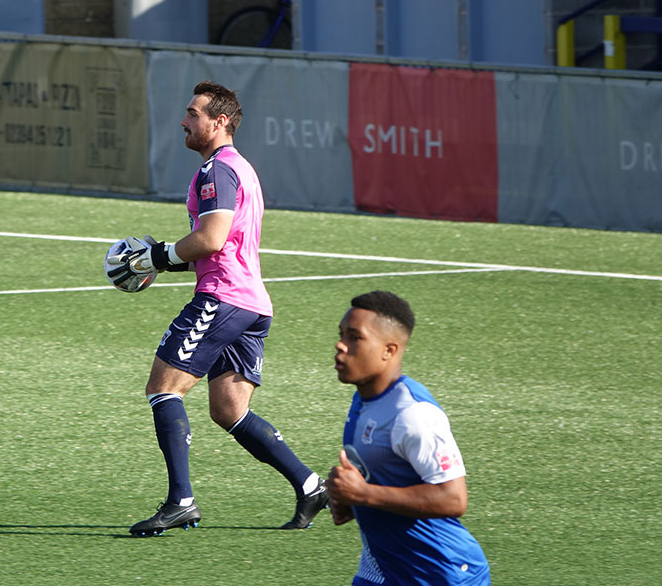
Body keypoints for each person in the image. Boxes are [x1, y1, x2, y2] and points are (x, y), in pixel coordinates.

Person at [109, 80, 328, 536]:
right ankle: (310, 486)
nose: (184, 121)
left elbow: (212, 238)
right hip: (250, 302)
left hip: (224, 298)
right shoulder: (238, 167)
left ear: (219, 121)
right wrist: (166, 261)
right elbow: (217, 244)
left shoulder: (216, 171)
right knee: (229, 410)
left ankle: (181, 501)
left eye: (193, 113)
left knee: (163, 388)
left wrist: (155, 257)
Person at [329, 290, 490, 585]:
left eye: (355, 337)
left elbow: (453, 498)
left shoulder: (412, 413)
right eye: (341, 334)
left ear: (389, 350)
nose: (341, 345)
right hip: (383, 568)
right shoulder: (363, 401)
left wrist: (364, 494)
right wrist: (352, 501)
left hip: (441, 574)